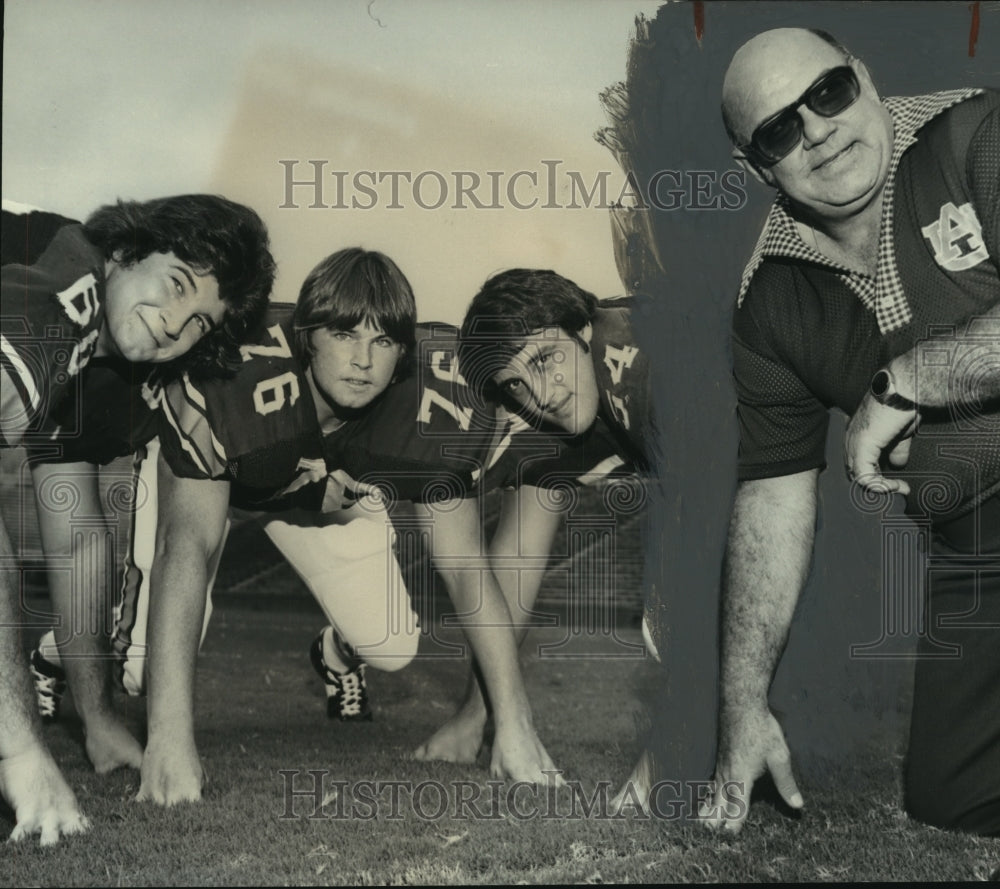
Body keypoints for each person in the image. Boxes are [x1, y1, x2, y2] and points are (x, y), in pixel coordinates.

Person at [65, 248, 563, 805]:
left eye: (382, 342)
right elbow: (186, 544)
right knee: (139, 671)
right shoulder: (234, 377)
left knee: (393, 644)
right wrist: (169, 740)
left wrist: (514, 725)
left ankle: (332, 657)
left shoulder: (431, 405)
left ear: (403, 353)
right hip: (217, 483)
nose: (363, 361)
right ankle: (57, 652)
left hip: (316, 492)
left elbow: (467, 568)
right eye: (345, 335)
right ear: (307, 335)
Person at [702, 28, 999, 835]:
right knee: (953, 792)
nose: (819, 128)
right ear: (757, 165)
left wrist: (908, 379)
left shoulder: (977, 135)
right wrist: (743, 706)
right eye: (780, 128)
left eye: (827, 93)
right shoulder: (770, 299)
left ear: (863, 78)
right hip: (978, 539)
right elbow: (771, 499)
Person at [1, 196, 275, 842]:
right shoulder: (68, 284)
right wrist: (18, 751)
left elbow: (77, 540)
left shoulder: (95, 356)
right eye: (177, 284)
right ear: (125, 250)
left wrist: (95, 716)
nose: (177, 324)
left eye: (201, 323)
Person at [412, 268, 656, 782]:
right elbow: (515, 567)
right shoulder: (539, 422)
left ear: (584, 330)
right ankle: (474, 717)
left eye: (546, 359)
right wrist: (481, 717)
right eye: (517, 382)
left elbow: (714, 539)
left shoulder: (651, 359)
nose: (541, 392)